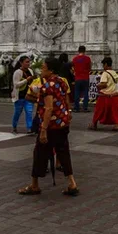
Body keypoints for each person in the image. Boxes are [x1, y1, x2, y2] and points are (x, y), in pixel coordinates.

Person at [18, 54, 79, 197]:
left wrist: (43, 129)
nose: (41, 70)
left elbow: (49, 108)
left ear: (50, 70)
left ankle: (34, 185)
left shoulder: (47, 86)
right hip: (63, 124)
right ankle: (72, 183)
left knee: (39, 153)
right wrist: (68, 114)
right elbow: (65, 100)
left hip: (51, 126)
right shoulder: (62, 82)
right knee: (63, 153)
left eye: (43, 68)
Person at [90, 57, 118, 131]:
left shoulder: (105, 73)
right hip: (114, 95)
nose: (103, 67)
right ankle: (116, 125)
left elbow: (104, 84)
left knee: (99, 110)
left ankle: (94, 124)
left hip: (104, 95)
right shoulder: (115, 73)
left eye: (103, 65)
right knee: (114, 111)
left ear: (106, 64)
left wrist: (98, 85)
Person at [11, 56, 36, 133]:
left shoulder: (30, 71)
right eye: (26, 62)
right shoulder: (17, 72)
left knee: (29, 112)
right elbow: (16, 84)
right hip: (20, 96)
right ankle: (14, 126)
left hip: (28, 96)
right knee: (17, 113)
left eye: (29, 62)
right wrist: (26, 80)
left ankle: (29, 128)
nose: (28, 63)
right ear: (21, 63)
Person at [71, 46, 92, 113]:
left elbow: (72, 68)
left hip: (77, 78)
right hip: (85, 77)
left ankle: (76, 108)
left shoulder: (74, 59)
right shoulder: (87, 58)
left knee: (77, 92)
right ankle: (85, 107)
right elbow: (90, 67)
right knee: (85, 92)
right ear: (84, 51)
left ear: (78, 51)